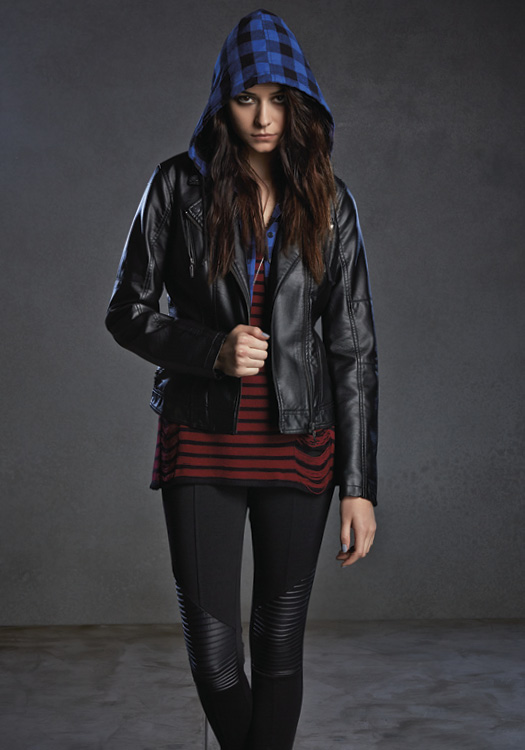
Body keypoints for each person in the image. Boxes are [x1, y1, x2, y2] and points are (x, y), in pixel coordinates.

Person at [106, 9, 378, 750]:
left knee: (279, 643)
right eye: (246, 99)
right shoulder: (176, 186)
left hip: (301, 444)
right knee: (215, 652)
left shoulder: (330, 202)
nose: (263, 118)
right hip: (201, 438)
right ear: (222, 102)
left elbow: (353, 348)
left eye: (279, 99)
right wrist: (209, 350)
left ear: (300, 103)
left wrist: (358, 485)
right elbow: (126, 311)